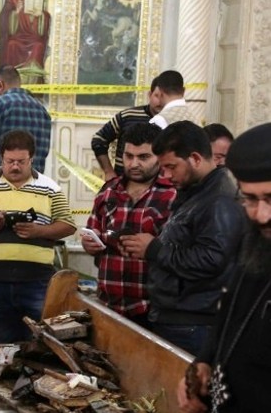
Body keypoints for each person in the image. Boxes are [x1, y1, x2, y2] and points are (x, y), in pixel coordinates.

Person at [121, 121, 245, 354]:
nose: (166, 176)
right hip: (176, 317)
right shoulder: (196, 191)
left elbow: (210, 259)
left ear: (196, 159)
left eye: (171, 167)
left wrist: (154, 250)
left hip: (193, 323)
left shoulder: (218, 200)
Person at [177, 123, 271, 413]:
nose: (262, 215)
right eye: (250, 199)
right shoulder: (257, 243)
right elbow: (231, 316)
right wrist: (205, 361)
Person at [0, 130, 76, 343]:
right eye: (10, 161)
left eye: (21, 161)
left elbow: (68, 225)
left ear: (32, 159)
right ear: (1, 158)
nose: (15, 166)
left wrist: (39, 231)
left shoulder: (50, 188)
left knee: (38, 343)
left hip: (36, 280)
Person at [82, 124, 176, 327]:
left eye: (143, 157)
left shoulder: (173, 195)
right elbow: (92, 231)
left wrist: (151, 248)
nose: (134, 164)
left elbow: (180, 254)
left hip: (153, 310)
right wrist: (89, 244)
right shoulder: (108, 192)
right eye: (129, 156)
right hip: (109, 305)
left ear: (159, 157)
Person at [91, 79, 164, 179]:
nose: (160, 102)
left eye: (166, 97)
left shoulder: (176, 120)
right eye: (157, 96)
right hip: (123, 184)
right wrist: (108, 171)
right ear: (150, 94)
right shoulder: (127, 116)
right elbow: (99, 139)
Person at [0, 64, 52, 173]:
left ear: (0, 85)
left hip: (0, 182)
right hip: (33, 184)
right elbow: (44, 151)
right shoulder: (42, 111)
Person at [0, 0, 51, 74]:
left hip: (33, 37)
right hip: (18, 35)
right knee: (11, 44)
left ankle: (33, 79)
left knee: (38, 45)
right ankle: (11, 76)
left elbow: (46, 18)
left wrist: (40, 15)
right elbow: (4, 17)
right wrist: (15, 13)